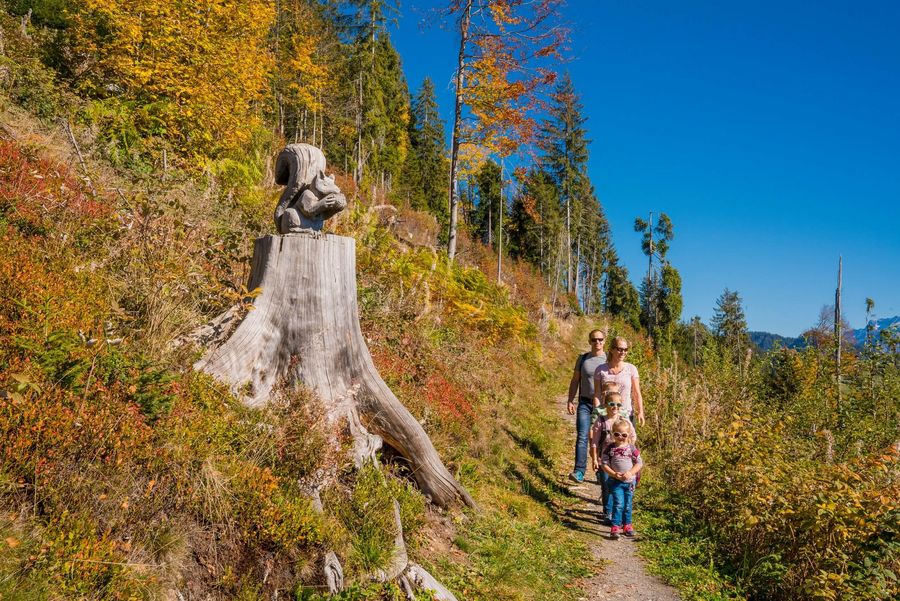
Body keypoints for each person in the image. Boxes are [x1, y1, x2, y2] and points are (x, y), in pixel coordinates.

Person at [566, 329, 607, 482]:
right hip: (584, 403)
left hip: (603, 406)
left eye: (600, 339)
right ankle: (579, 471)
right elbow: (575, 380)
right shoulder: (583, 359)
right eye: (594, 339)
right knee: (582, 436)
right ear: (589, 341)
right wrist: (570, 399)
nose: (597, 342)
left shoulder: (608, 360)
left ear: (604, 341)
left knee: (601, 439)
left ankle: (600, 471)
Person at [590, 392, 637, 521]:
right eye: (611, 404)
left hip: (622, 460)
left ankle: (618, 512)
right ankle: (608, 512)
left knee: (620, 486)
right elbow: (594, 442)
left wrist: (629, 449)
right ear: (605, 405)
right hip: (605, 459)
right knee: (607, 485)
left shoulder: (625, 422)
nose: (615, 407)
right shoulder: (601, 421)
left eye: (618, 404)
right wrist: (594, 458)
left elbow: (633, 437)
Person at [601, 419, 644, 539]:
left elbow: (639, 463)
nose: (620, 437)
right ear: (612, 434)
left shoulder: (632, 449)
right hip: (616, 481)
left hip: (629, 482)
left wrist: (630, 473)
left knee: (628, 504)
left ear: (629, 435)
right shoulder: (609, 449)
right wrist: (614, 474)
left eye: (624, 435)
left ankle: (627, 525)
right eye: (617, 434)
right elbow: (604, 464)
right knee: (618, 503)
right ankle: (615, 526)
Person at [593, 336, 645, 427]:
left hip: (626, 415)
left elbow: (636, 393)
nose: (623, 352)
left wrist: (640, 411)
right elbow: (597, 394)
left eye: (625, 350)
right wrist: (597, 413)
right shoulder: (600, 369)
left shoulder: (631, 369)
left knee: (626, 440)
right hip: (606, 416)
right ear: (611, 350)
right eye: (620, 349)